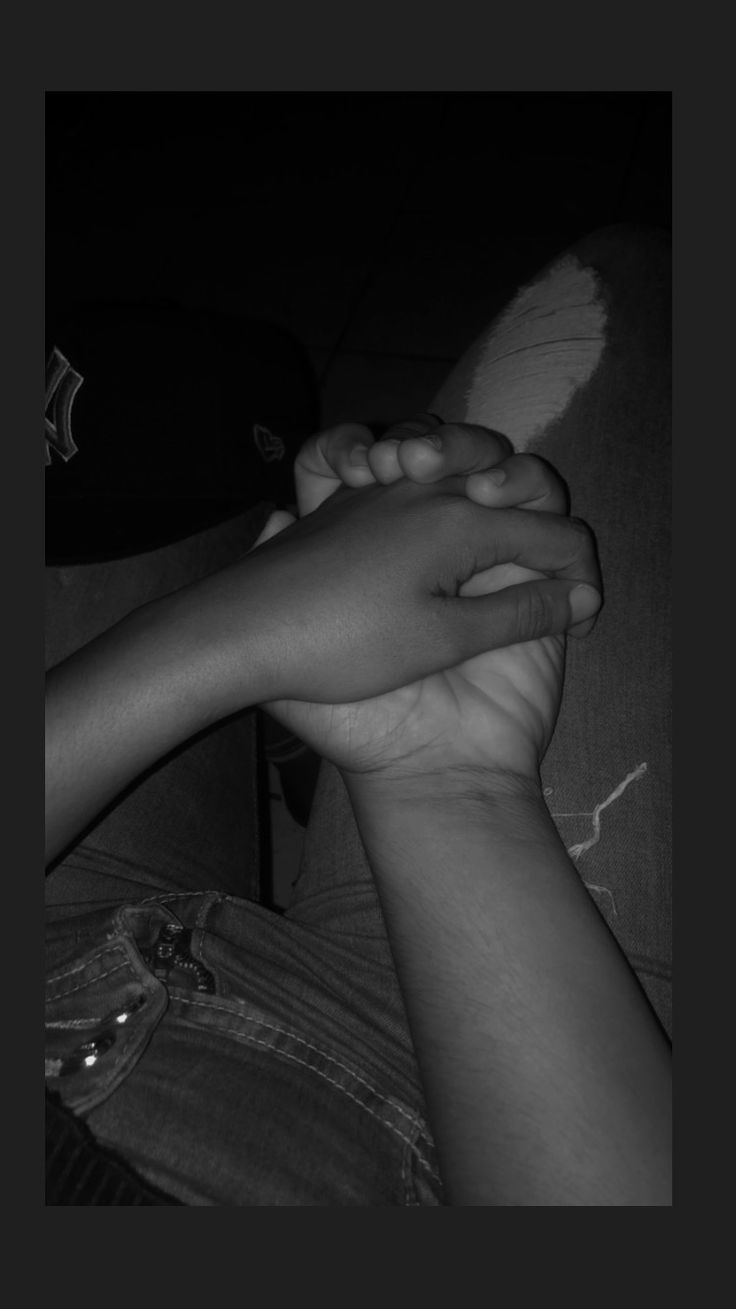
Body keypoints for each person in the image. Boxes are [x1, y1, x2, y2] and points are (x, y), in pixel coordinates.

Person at [45, 224, 671, 1206]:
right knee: (624, 288)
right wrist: (444, 776)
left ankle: (305, 719)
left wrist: (223, 636)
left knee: (143, 383)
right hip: (489, 1106)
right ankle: (322, 735)